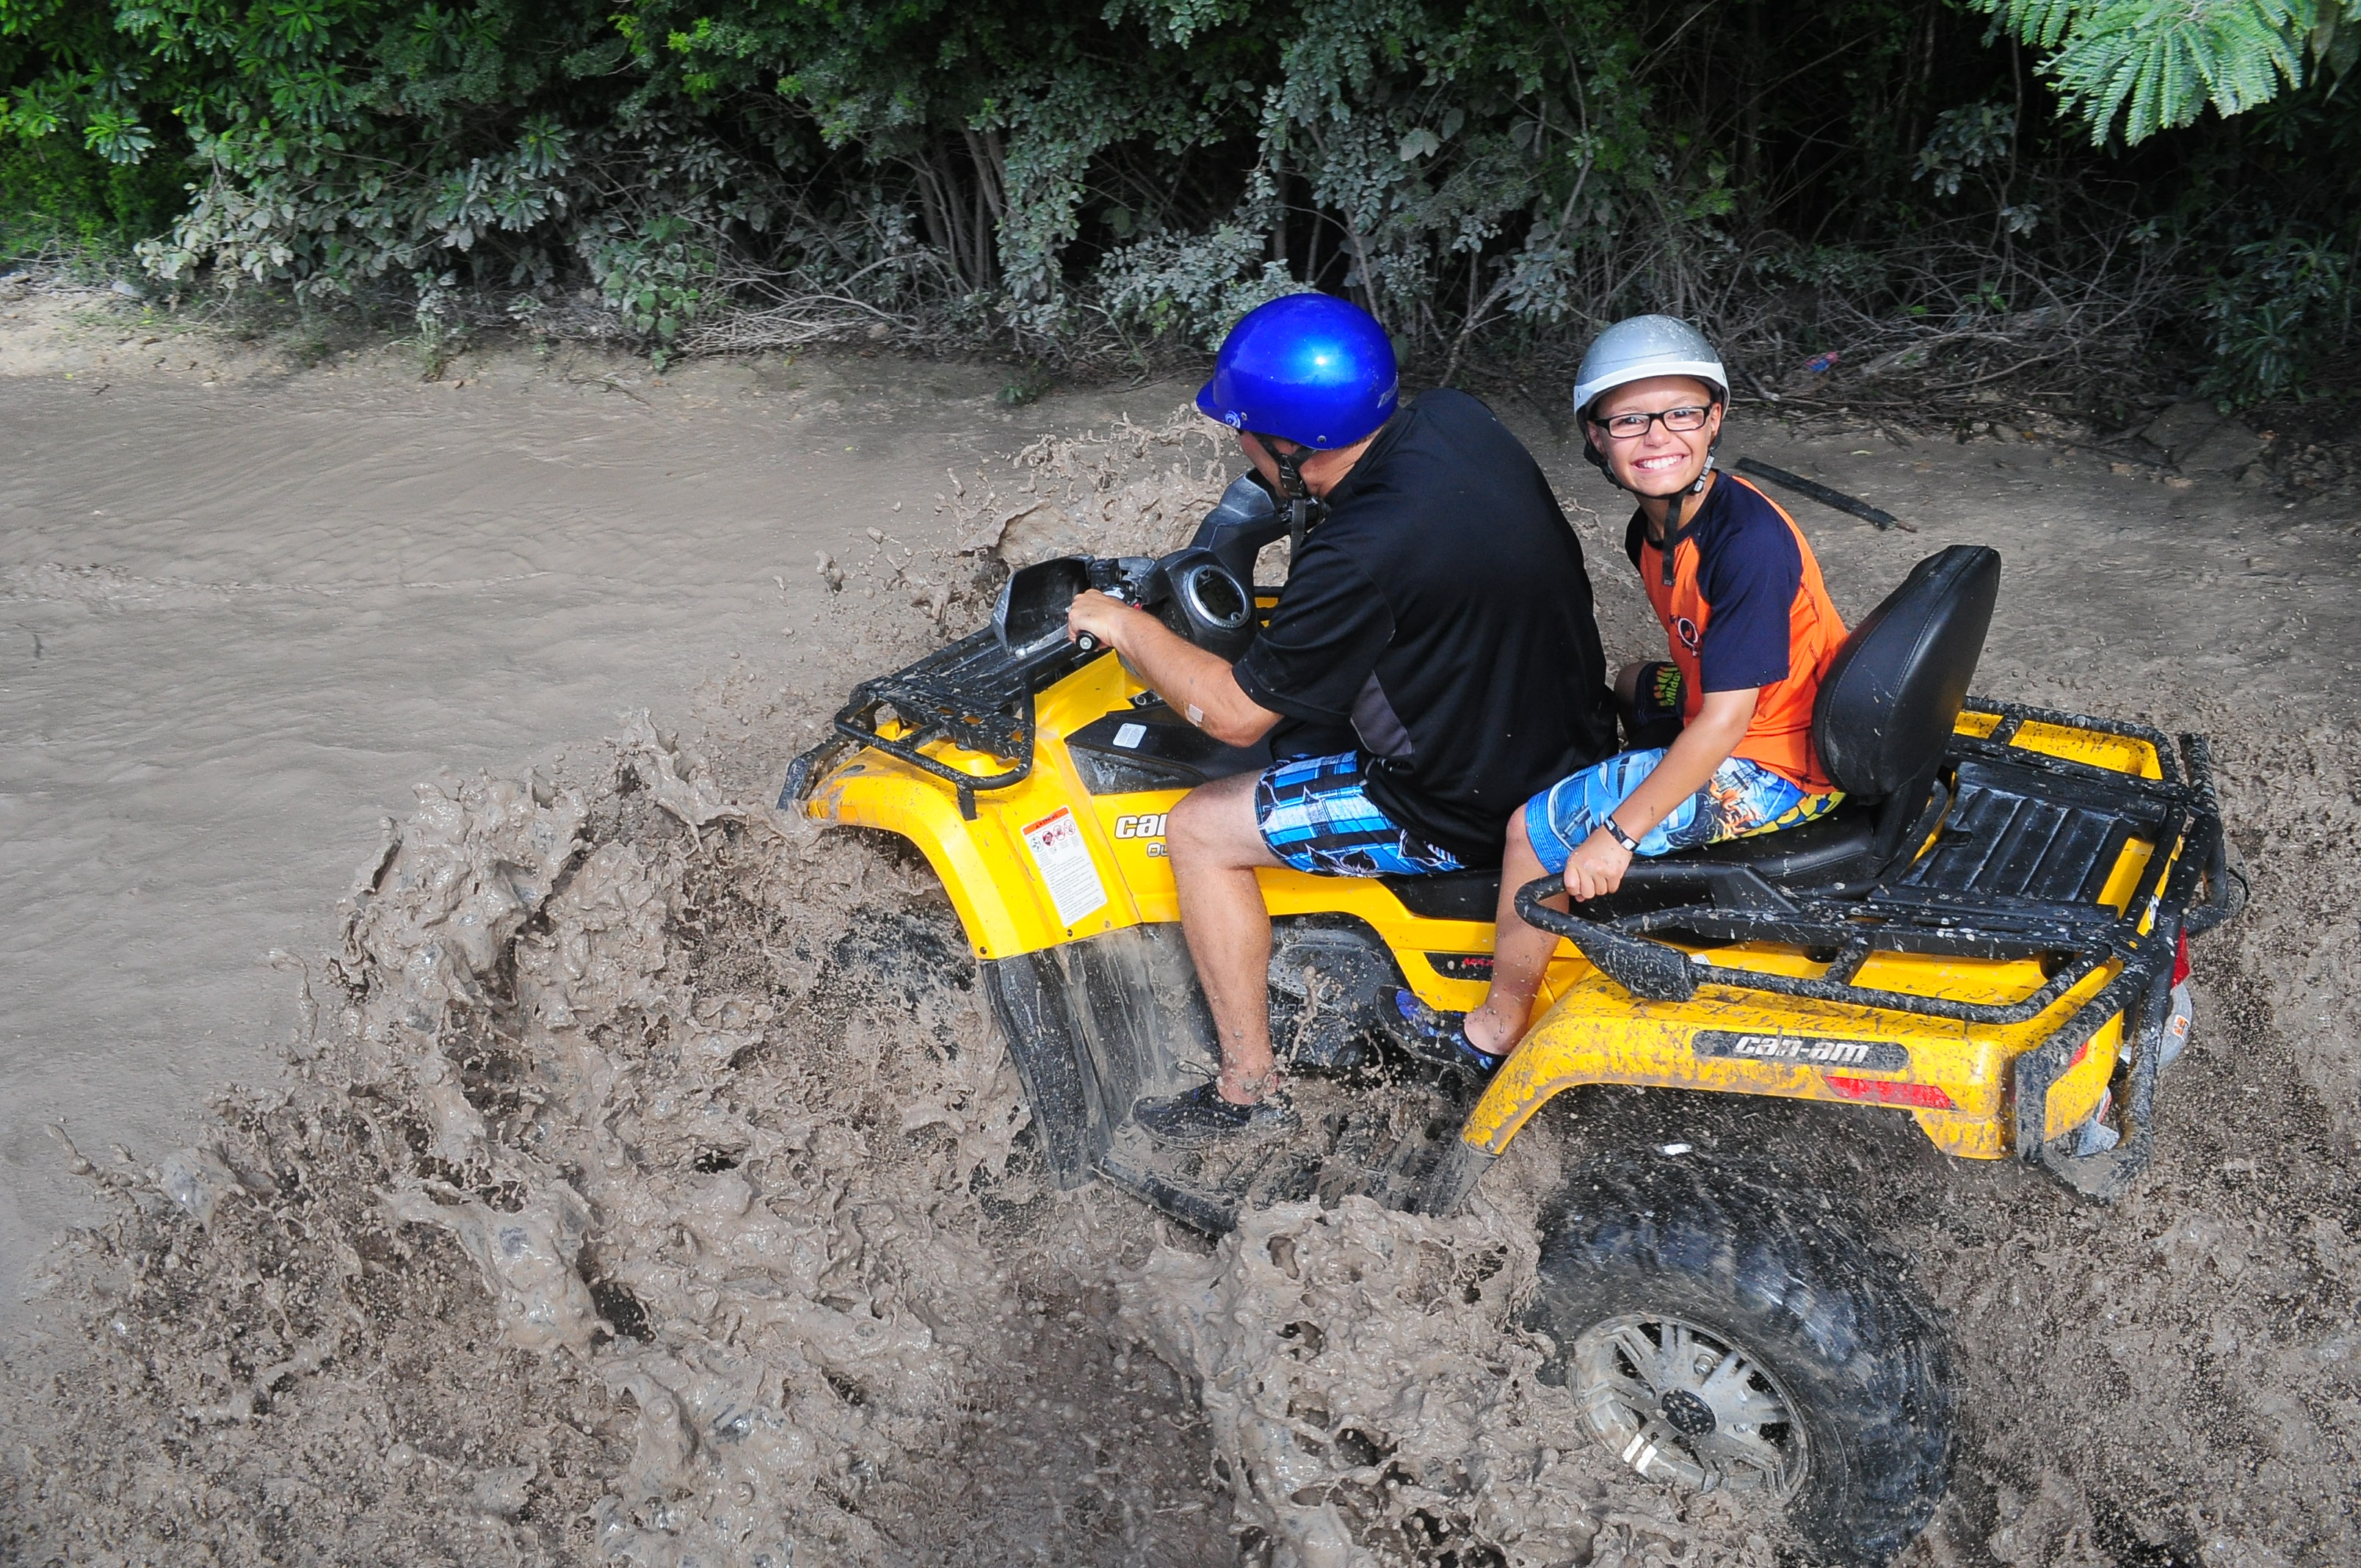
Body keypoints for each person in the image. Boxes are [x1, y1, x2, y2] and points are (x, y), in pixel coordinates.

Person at [1064, 293, 1618, 1144]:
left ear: (1288, 444)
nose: (1238, 444)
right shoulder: (1455, 419)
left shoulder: (1358, 553)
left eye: (1242, 431)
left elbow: (1236, 713)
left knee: (1198, 830)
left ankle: (1246, 1091)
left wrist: (1122, 623)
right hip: (1563, 739)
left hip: (1459, 803)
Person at [1385, 314, 1849, 1074]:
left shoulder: (1748, 547)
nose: (1657, 437)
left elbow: (1727, 722)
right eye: (1630, 420)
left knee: (1533, 834)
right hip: (1754, 710)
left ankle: (1494, 1031)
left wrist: (1618, 834)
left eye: (1680, 415)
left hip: (1774, 764)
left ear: (1714, 421)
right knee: (1634, 682)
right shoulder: (1656, 529)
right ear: (1597, 438)